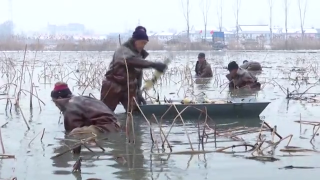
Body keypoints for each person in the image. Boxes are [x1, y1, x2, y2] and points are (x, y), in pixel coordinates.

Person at [100, 26, 167, 112]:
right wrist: (153, 64)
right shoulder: (123, 50)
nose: (143, 46)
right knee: (105, 114)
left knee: (135, 112)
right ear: (135, 41)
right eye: (142, 43)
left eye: (145, 44)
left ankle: (129, 125)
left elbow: (138, 76)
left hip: (129, 88)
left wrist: (138, 93)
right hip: (113, 86)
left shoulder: (139, 55)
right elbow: (131, 61)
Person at [51, 82, 121, 135]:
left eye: (54, 101)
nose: (56, 105)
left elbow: (71, 130)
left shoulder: (69, 106)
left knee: (75, 133)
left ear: (59, 98)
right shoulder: (83, 98)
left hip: (106, 128)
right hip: (117, 124)